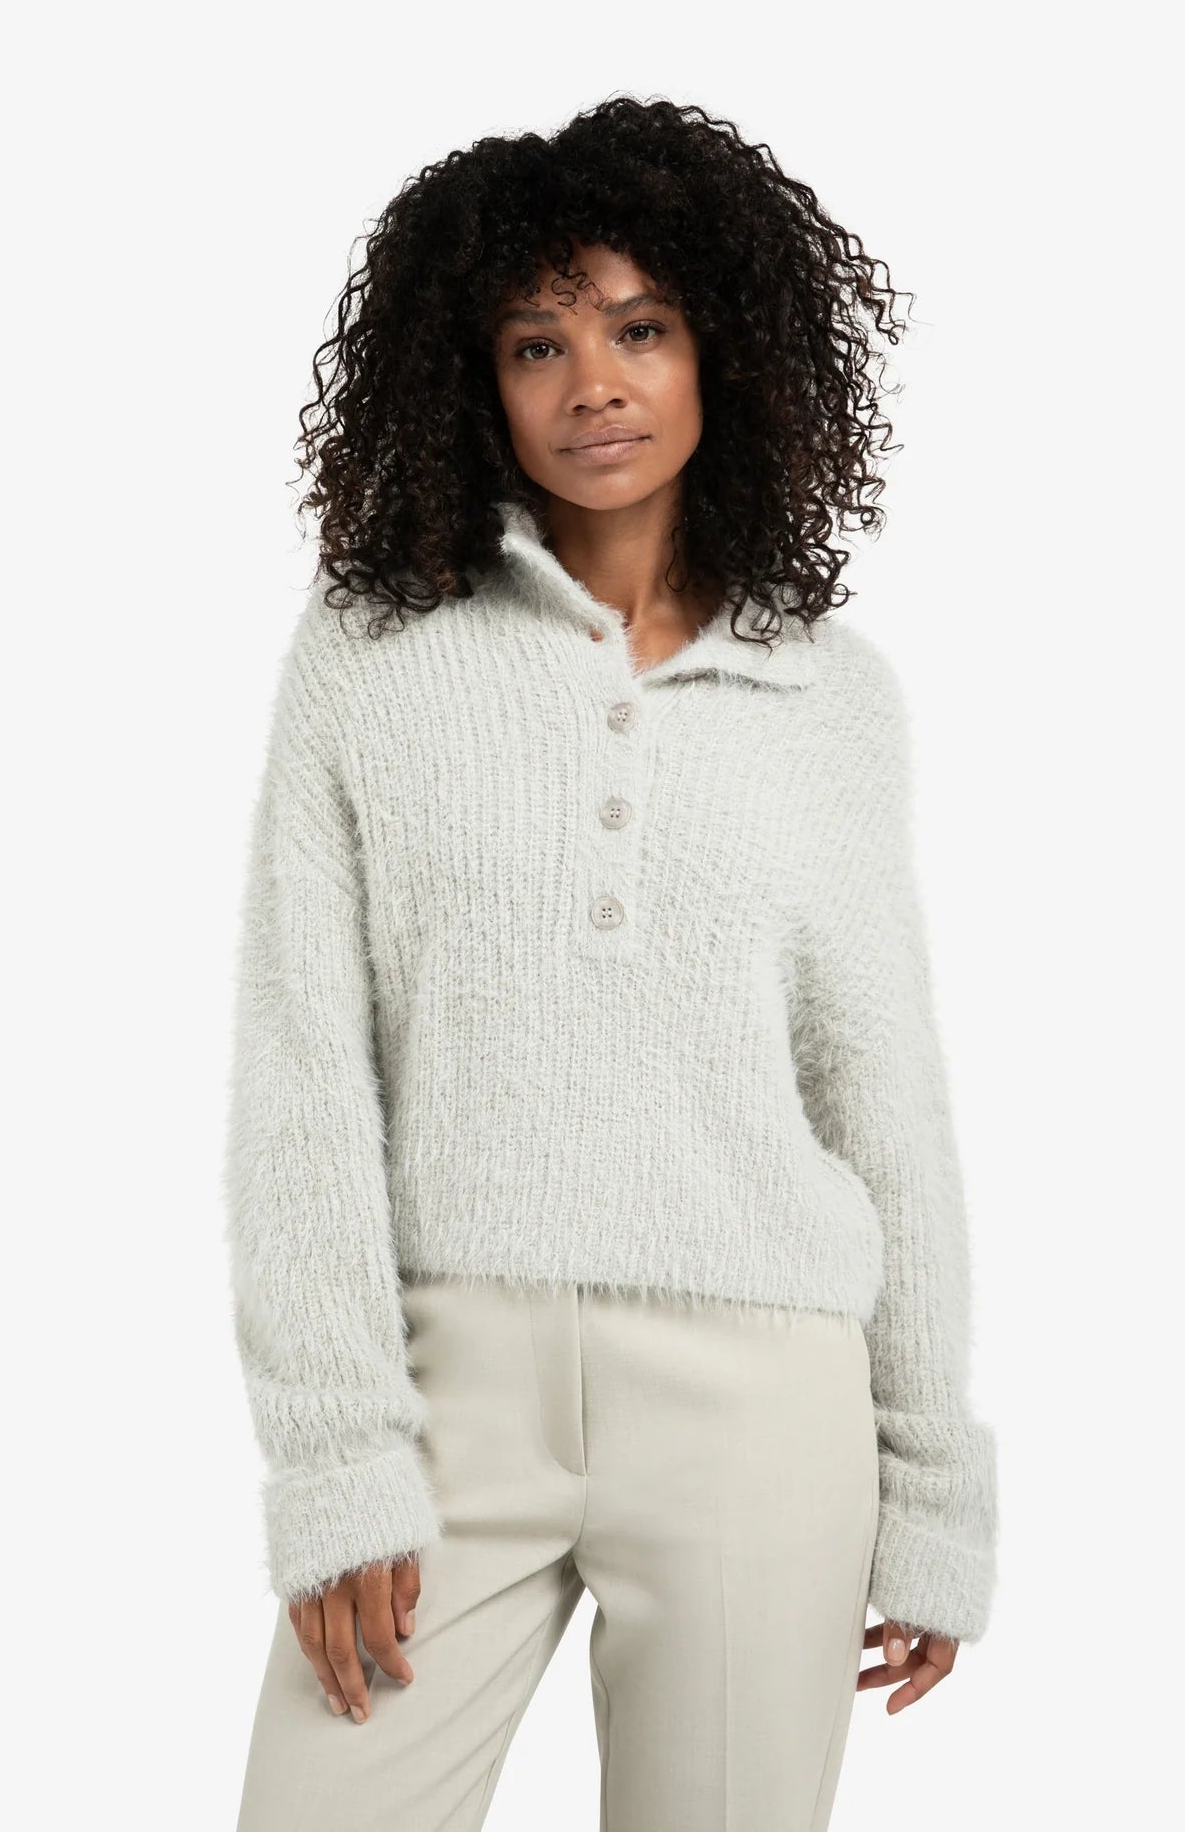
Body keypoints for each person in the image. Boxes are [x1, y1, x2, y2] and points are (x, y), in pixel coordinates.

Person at [225, 95, 999, 1831]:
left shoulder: (832, 698)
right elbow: (301, 1064)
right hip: (449, 1390)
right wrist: (337, 1453)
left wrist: (933, 1478)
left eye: (640, 330)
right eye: (538, 343)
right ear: (474, 381)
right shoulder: (371, 655)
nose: (595, 384)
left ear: (724, 351)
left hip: (762, 1402)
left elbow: (880, 1091)